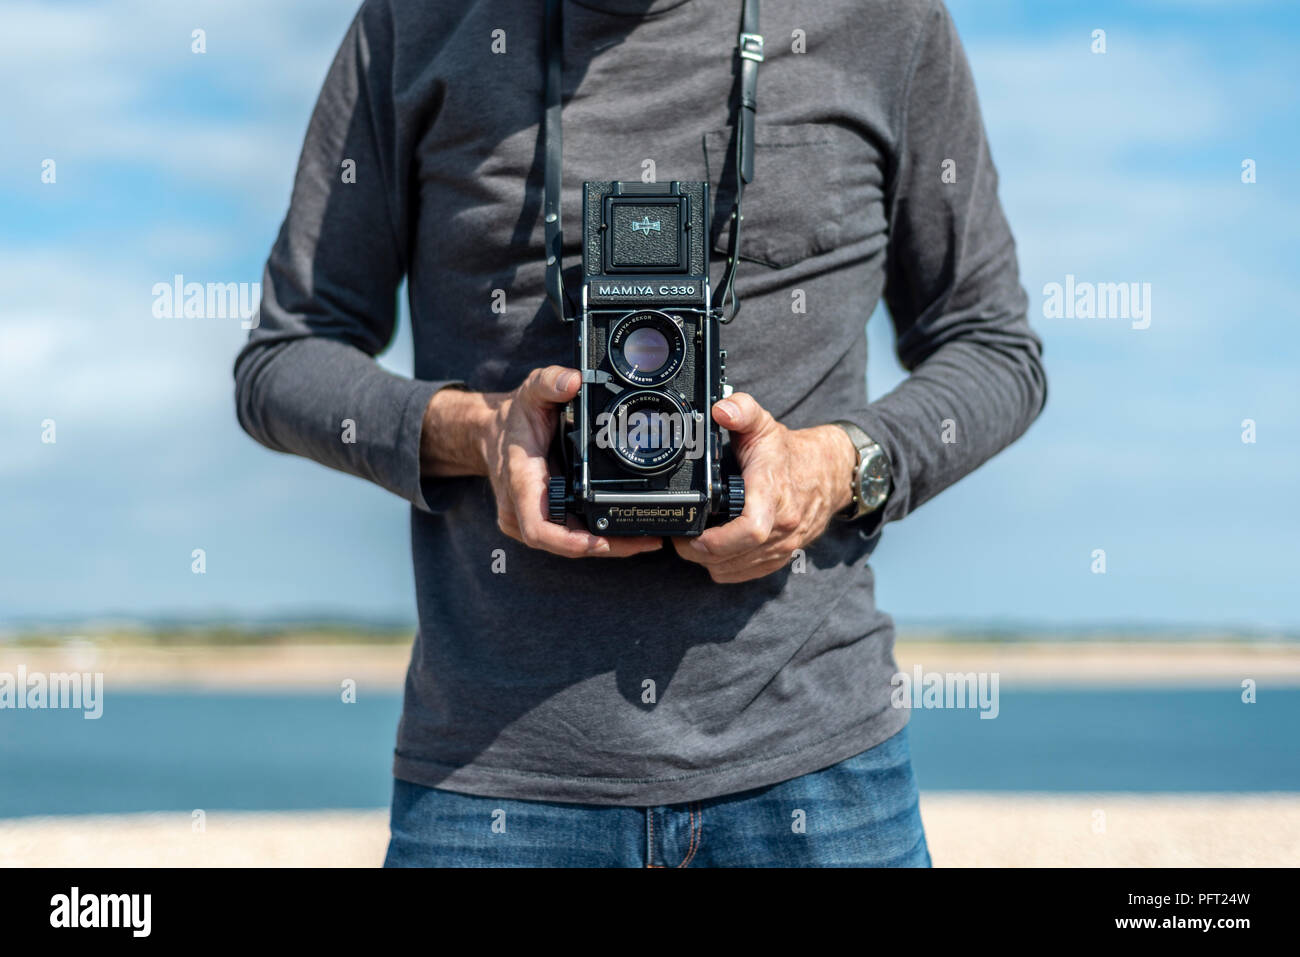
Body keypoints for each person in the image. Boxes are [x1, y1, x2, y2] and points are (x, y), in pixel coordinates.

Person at [234, 0, 1046, 867]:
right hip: (493, 777)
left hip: (817, 762)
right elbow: (283, 362)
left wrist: (837, 467)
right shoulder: (418, 23)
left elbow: (994, 348)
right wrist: (480, 433)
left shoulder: (887, 21)